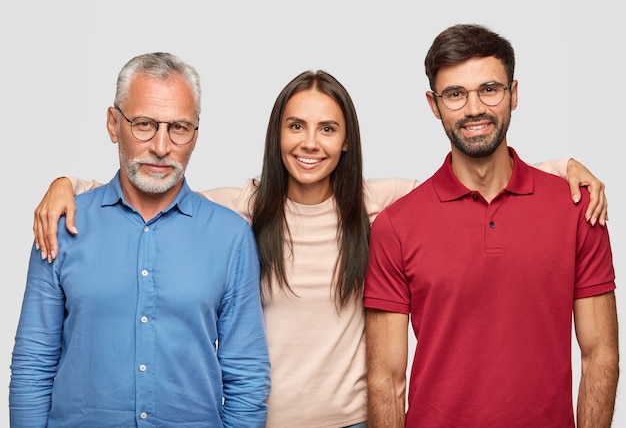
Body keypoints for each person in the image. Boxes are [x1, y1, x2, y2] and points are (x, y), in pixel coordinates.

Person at [31, 70, 609, 428]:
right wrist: (69, 184)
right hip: (260, 423)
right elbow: (150, 186)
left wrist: (565, 168)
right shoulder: (239, 211)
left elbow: (476, 171)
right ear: (276, 134)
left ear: (347, 139)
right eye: (296, 126)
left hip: (353, 423)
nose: (310, 143)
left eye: (327, 128)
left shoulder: (379, 205)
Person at [364, 24, 619, 428]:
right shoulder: (396, 226)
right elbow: (386, 379)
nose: (474, 108)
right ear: (434, 104)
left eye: (489, 89)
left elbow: (600, 354)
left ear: (513, 94)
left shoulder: (576, 209)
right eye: (455, 94)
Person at [10, 52, 270, 428]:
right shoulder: (62, 224)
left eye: (179, 128)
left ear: (196, 135)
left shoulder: (230, 237)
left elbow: (246, 373)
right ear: (114, 124)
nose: (162, 147)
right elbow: (34, 360)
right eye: (145, 124)